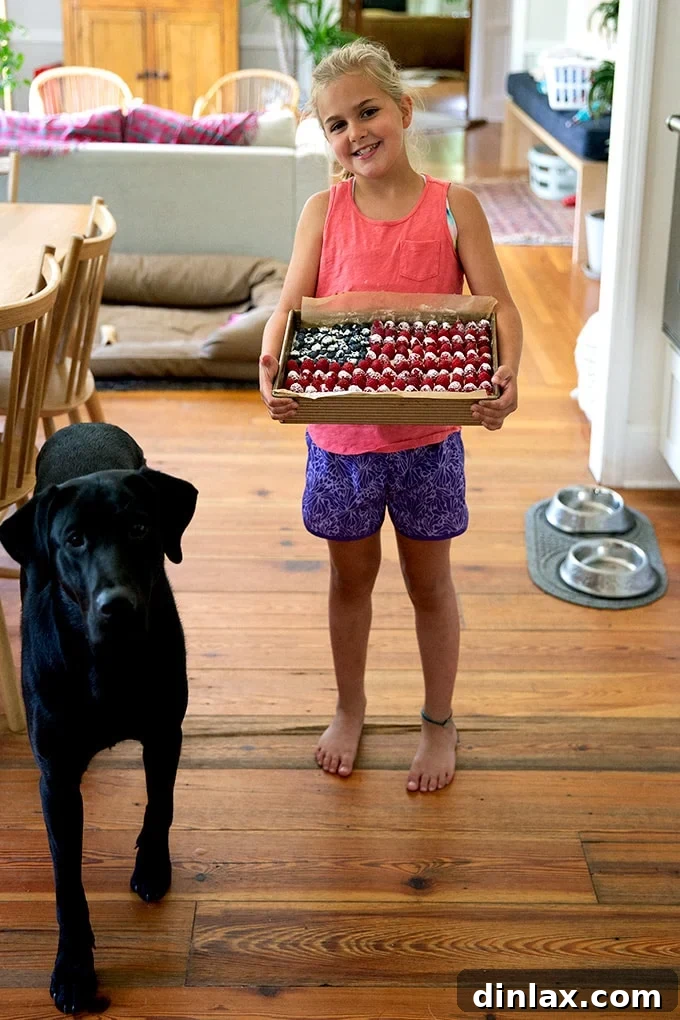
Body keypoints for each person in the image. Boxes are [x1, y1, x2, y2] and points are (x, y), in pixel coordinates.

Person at [259, 40, 522, 793]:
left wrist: (510, 373)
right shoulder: (323, 210)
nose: (355, 132)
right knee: (351, 579)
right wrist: (271, 361)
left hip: (429, 438)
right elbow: (289, 311)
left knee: (429, 582)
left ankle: (439, 720)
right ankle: (351, 706)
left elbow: (497, 306)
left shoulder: (453, 207)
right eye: (336, 123)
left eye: (368, 111)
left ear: (403, 111)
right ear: (325, 137)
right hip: (340, 438)